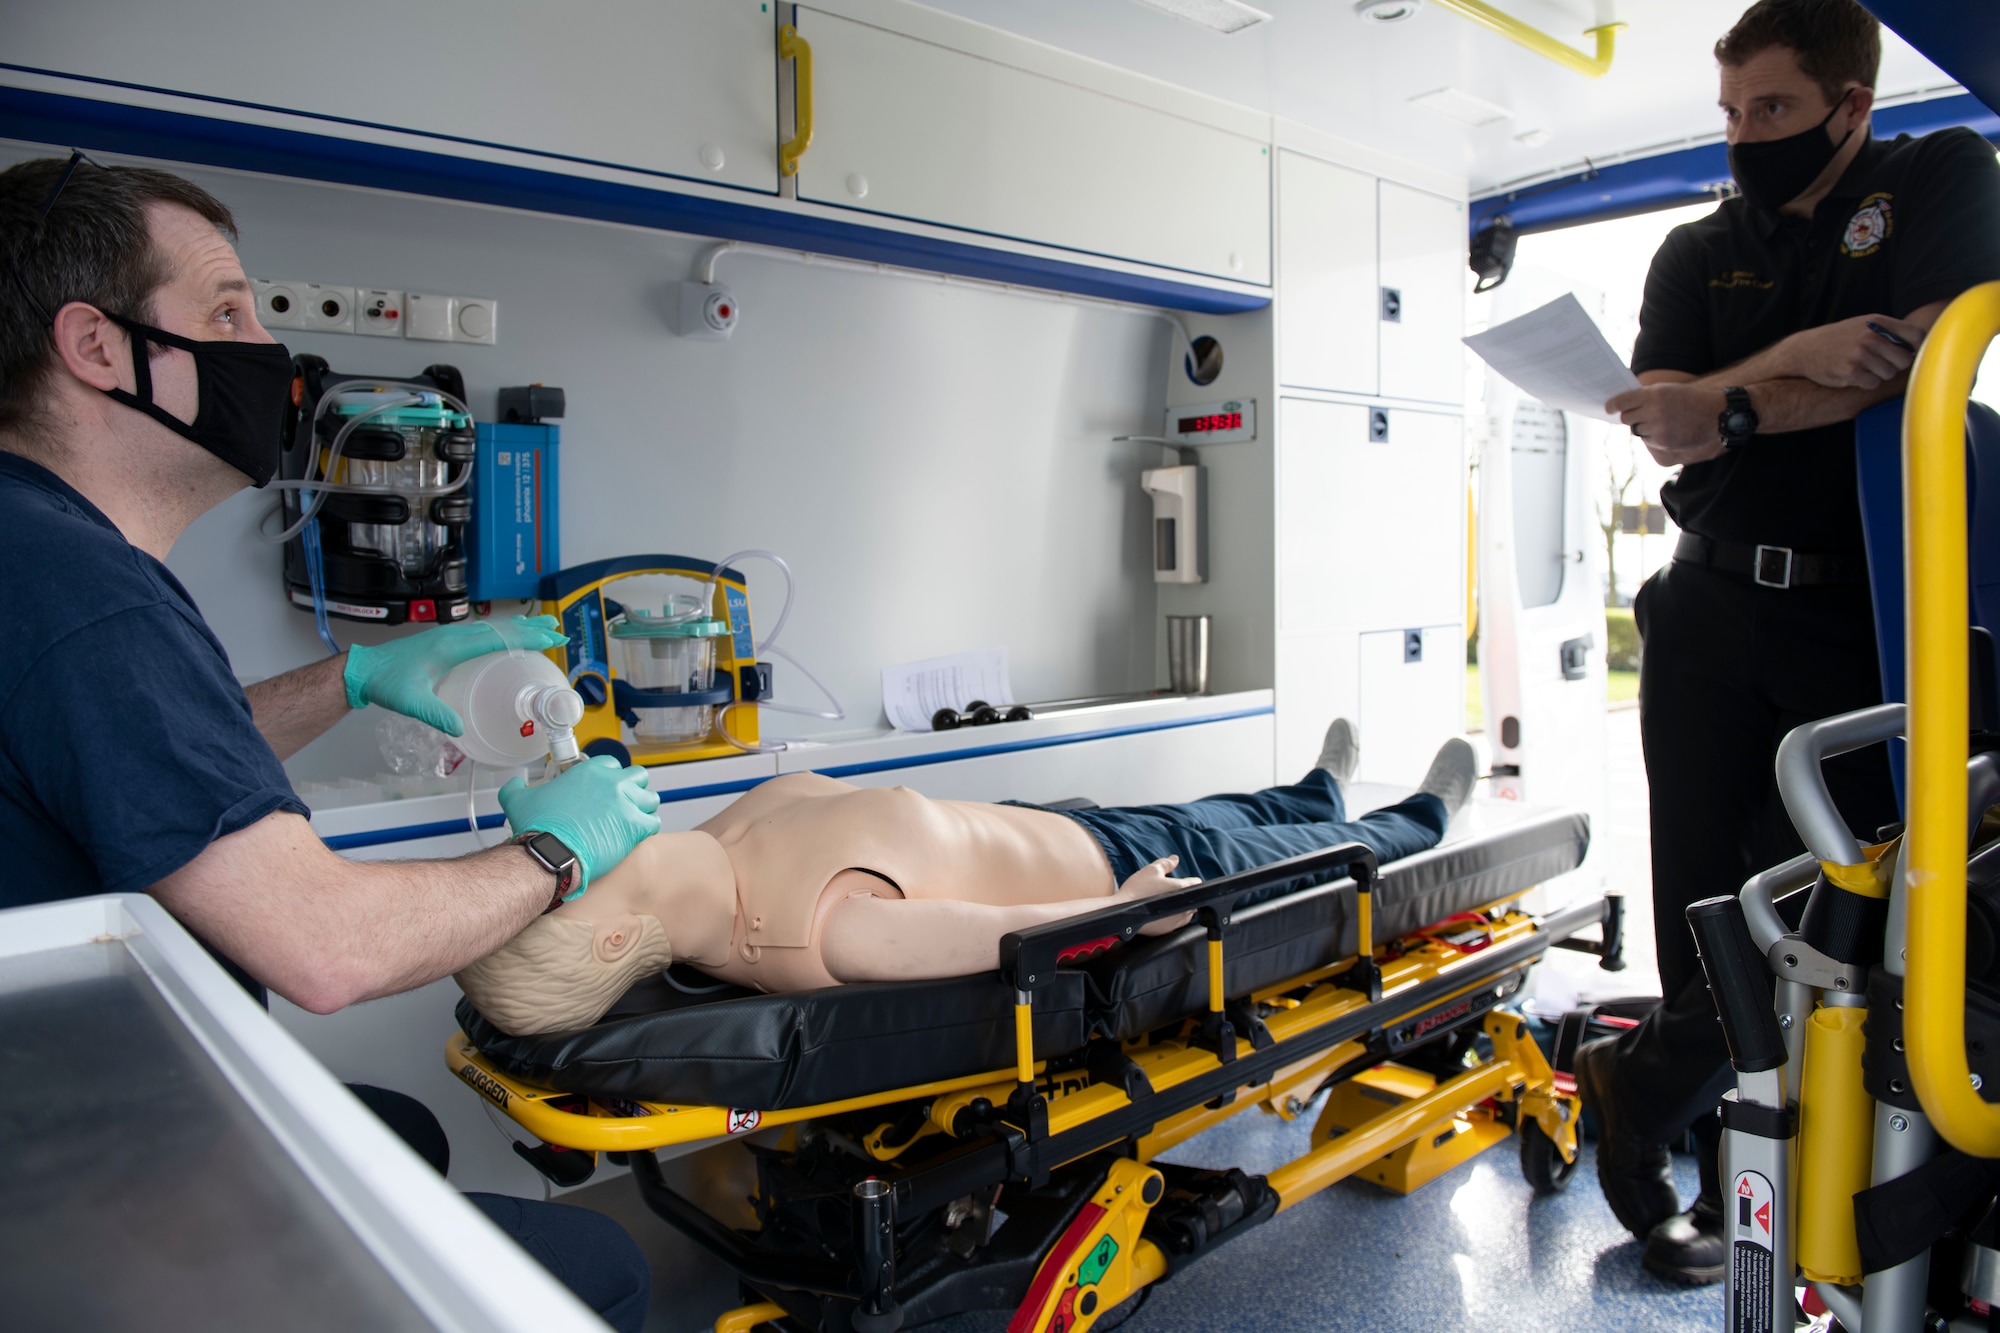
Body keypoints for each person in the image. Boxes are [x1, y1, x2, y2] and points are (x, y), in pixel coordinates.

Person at [0, 154, 662, 1330]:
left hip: (65, 1107)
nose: (271, 352)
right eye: (226, 311)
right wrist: (555, 855)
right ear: (99, 350)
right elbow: (323, 950)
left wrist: (354, 675)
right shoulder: (82, 589)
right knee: (599, 1268)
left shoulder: (38, 553)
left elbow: (128, 767)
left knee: (397, 1127)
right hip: (73, 1199)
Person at [1583, 0, 2000, 1287]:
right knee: (1703, 922)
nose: (1740, 137)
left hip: (1862, 611)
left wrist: (1737, 394)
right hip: (1707, 610)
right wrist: (1798, 365)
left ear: (1849, 104)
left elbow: (1925, 351)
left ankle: (1629, 1089)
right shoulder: (1689, 251)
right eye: (1726, 111)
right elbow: (1665, 426)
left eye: (1769, 109)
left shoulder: (1935, 174)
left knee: (1851, 921)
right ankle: (1698, 1181)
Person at [456, 721, 1479, 1036]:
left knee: (1238, 808)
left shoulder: (715, 842)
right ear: (604, 938)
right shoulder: (816, 932)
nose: (563, 854)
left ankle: (1315, 785)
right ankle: (1420, 818)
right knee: (1297, 863)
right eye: (561, 875)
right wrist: (1126, 912)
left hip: (1068, 824)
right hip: (1117, 871)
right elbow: (1009, 939)